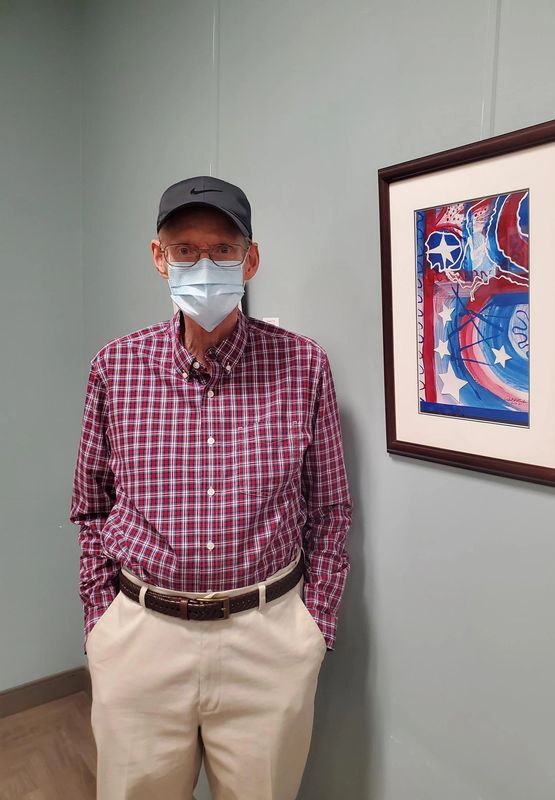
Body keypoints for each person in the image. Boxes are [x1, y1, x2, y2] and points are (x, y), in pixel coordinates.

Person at [69, 175, 353, 800]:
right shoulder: (116, 368)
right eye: (186, 250)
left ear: (251, 258)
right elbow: (90, 503)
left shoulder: (304, 365)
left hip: (269, 636)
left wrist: (315, 626)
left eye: (223, 249)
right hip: (141, 636)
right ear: (158, 257)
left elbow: (330, 507)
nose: (205, 266)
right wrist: (101, 620)